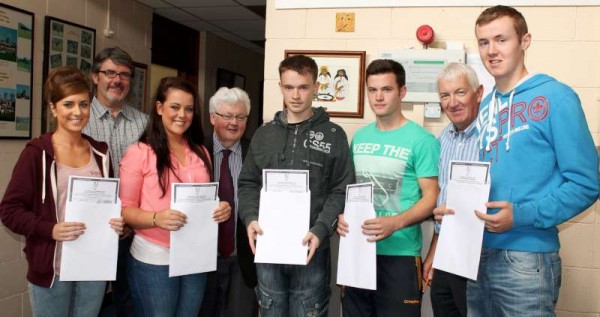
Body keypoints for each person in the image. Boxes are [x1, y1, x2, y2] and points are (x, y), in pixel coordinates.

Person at [457, 5, 598, 316]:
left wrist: (521, 215)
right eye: (483, 42)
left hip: (526, 258)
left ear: (525, 41)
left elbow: (586, 184)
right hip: (479, 255)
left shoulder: (556, 97)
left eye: (501, 39)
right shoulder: (486, 106)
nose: (491, 51)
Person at [0, 67, 124, 316]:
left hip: (93, 267)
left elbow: (109, 203)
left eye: (84, 104)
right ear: (53, 108)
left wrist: (117, 224)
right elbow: (9, 211)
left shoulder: (101, 153)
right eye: (68, 104)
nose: (77, 112)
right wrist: (51, 229)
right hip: (52, 270)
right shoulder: (36, 153)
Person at [238, 55, 355, 317]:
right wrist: (250, 218)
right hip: (269, 247)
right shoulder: (263, 133)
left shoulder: (333, 135)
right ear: (280, 87)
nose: (296, 95)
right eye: (289, 87)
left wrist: (322, 228)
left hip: (310, 248)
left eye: (303, 87)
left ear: (315, 88)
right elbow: (247, 183)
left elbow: (340, 188)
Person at [119, 77, 232, 316]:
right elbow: (125, 210)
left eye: (189, 109)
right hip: (155, 257)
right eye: (175, 107)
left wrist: (221, 207)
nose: (182, 115)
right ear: (159, 108)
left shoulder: (201, 152)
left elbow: (205, 199)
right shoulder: (139, 152)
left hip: (195, 255)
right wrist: (155, 218)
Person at [337, 59, 440, 317]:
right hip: (359, 253)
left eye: (386, 89)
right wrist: (343, 217)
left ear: (402, 92)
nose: (378, 97)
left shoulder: (422, 140)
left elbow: (432, 198)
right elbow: (353, 192)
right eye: (373, 90)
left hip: (400, 256)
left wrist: (395, 223)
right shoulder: (360, 138)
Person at [83, 46, 148, 316]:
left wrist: (132, 220)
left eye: (124, 74)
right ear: (95, 76)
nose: (117, 80)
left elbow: (152, 178)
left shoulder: (144, 123)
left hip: (131, 232)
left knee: (128, 302)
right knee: (89, 304)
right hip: (89, 231)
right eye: (109, 72)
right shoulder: (78, 118)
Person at [422, 62, 483, 317]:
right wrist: (434, 252)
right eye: (445, 95)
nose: (452, 102)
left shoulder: (492, 136)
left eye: (460, 92)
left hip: (480, 256)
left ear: (478, 93)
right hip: (447, 254)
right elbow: (442, 205)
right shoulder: (444, 138)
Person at [199, 87, 258, 317]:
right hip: (201, 260)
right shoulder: (194, 150)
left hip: (242, 259)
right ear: (212, 117)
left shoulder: (256, 152)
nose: (234, 122)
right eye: (227, 116)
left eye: (240, 117)